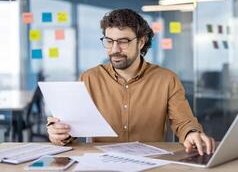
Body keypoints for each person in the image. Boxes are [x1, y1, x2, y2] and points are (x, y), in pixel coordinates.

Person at [47, 9, 215, 155]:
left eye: (123, 42)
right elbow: (73, 126)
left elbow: (183, 121)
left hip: (151, 163)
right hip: (100, 164)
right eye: (109, 41)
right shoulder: (89, 78)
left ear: (141, 42)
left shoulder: (166, 79)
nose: (114, 49)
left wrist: (192, 133)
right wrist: (59, 133)